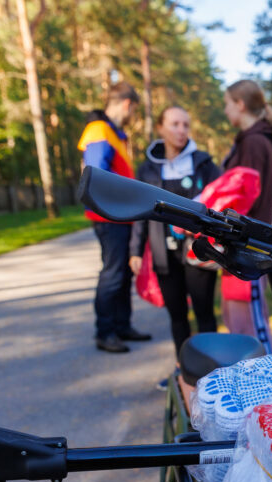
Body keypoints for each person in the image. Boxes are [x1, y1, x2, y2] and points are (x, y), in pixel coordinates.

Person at [128, 106, 222, 384]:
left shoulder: (204, 163)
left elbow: (219, 203)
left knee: (204, 314)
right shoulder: (147, 167)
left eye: (185, 125)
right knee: (178, 316)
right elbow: (139, 211)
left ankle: (213, 371)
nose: (181, 130)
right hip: (163, 253)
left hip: (198, 252)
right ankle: (183, 370)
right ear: (160, 128)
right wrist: (135, 251)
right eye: (175, 124)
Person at [78, 82, 151, 353]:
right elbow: (96, 175)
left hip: (120, 215)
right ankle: (105, 332)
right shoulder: (99, 130)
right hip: (109, 216)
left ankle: (122, 326)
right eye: (134, 111)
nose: (133, 118)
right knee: (113, 273)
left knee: (121, 274)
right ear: (127, 104)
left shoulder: (113, 133)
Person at [220, 79, 272, 349]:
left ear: (240, 104)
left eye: (227, 104)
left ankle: (268, 385)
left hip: (250, 248)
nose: (225, 111)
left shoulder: (255, 143)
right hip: (240, 245)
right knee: (239, 321)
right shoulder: (249, 142)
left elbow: (245, 196)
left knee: (253, 327)